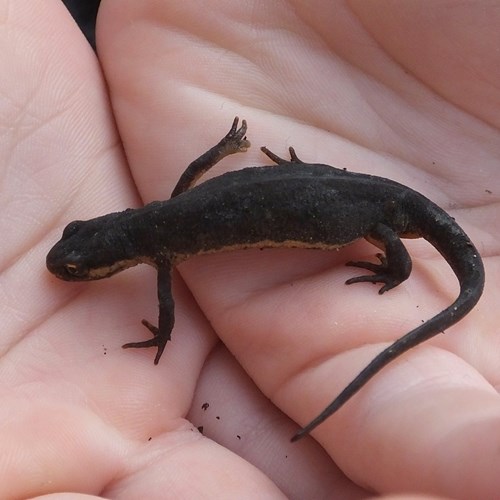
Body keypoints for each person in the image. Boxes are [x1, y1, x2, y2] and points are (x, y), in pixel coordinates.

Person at [1, 1, 498, 498]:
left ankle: (398, 267)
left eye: (75, 266)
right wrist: (224, 149)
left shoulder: (161, 246)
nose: (70, 269)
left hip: (364, 209)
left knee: (369, 218)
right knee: (348, 202)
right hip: (347, 195)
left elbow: (168, 309)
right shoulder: (162, 221)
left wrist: (161, 339)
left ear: (108, 264)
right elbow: (192, 175)